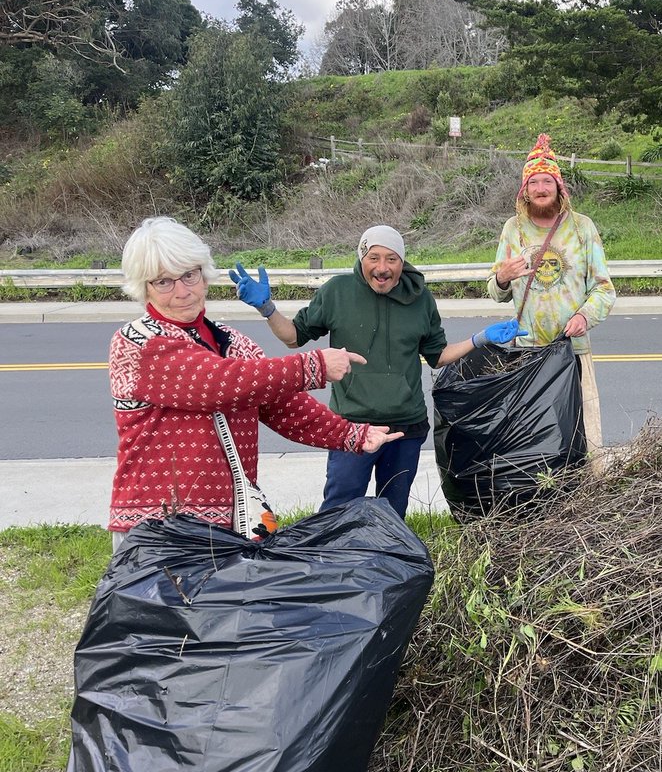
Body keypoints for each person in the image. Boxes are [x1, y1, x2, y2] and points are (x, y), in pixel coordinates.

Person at [109, 217, 403, 552]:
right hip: (159, 531)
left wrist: (354, 435)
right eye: (164, 282)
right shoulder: (138, 343)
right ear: (143, 288)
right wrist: (314, 365)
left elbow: (285, 408)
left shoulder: (232, 341)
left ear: (204, 275)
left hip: (230, 524)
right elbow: (217, 384)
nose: (182, 291)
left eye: (189, 275)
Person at [229, 225, 525, 519]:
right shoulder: (337, 292)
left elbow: (437, 357)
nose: (382, 268)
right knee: (339, 510)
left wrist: (479, 338)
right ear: (361, 258)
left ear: (402, 262)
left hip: (405, 428)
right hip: (350, 426)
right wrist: (267, 308)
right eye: (374, 257)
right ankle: (336, 565)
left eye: (391, 259)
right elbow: (293, 336)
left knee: (392, 515)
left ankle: (386, 565)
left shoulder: (420, 299)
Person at [487, 134, 616, 456]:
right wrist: (502, 278)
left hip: (573, 351)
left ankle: (583, 494)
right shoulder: (512, 230)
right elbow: (495, 292)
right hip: (525, 353)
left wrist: (584, 316)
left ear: (560, 187)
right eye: (534, 183)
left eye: (548, 181)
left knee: (579, 431)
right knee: (530, 435)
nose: (541, 188)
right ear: (525, 190)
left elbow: (604, 288)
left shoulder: (582, 228)